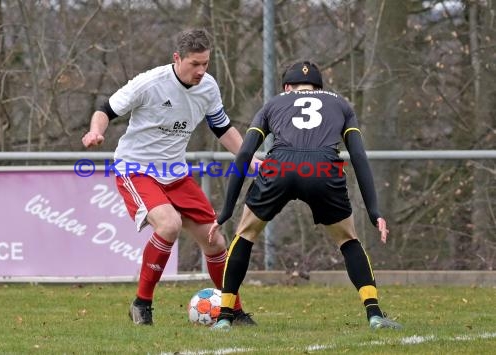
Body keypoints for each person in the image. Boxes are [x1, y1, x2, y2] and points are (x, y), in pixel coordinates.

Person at [82, 29, 259, 326]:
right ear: (177, 58)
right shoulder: (149, 83)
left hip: (175, 173)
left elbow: (222, 128)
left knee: (216, 241)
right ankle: (142, 303)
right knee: (169, 224)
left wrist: (250, 159)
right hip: (136, 169)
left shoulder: (208, 87)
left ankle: (233, 311)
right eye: (194, 64)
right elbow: (105, 110)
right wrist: (96, 131)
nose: (201, 71)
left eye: (206, 64)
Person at [208, 61, 403, 331]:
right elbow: (358, 157)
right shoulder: (341, 105)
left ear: (288, 87)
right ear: (319, 88)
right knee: (348, 240)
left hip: (280, 167)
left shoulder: (273, 104)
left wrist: (226, 210)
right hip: (323, 168)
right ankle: (374, 314)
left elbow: (244, 154)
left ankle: (225, 317)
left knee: (245, 234)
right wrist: (374, 212)